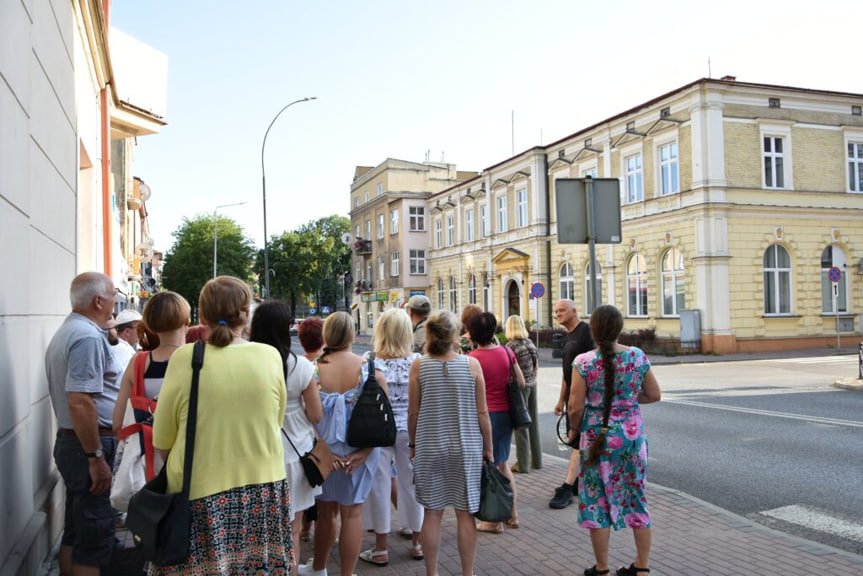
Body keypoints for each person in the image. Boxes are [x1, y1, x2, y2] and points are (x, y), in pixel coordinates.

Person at [150, 276, 291, 574]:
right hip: (262, 489)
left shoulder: (185, 357)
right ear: (246, 312)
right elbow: (274, 421)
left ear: (202, 314)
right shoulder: (269, 356)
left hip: (200, 493)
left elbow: (162, 440)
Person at [568, 304, 661, 576]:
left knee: (596, 501)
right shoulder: (637, 356)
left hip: (597, 437)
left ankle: (602, 568)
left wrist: (576, 429)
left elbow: (574, 408)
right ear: (620, 328)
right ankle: (642, 567)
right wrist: (627, 403)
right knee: (636, 497)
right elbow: (654, 394)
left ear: (594, 330)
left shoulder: (584, 362)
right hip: (631, 437)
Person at [46, 272, 122, 576]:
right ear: (99, 300)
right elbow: (80, 401)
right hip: (87, 446)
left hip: (76, 444)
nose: (116, 302)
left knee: (76, 532)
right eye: (113, 296)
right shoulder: (88, 336)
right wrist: (96, 458)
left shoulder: (71, 330)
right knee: (93, 539)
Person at [300, 311, 385, 576]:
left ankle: (318, 568)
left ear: (327, 335)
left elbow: (306, 417)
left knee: (326, 513)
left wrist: (323, 451)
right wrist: (365, 452)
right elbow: (383, 421)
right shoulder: (369, 370)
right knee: (353, 515)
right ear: (351, 335)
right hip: (359, 454)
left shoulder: (312, 370)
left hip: (325, 454)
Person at [408, 310, 492, 576]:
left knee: (432, 513)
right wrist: (488, 447)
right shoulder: (471, 365)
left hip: (430, 446)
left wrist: (412, 444)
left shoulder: (419, 365)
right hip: (466, 448)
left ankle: (431, 573)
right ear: (455, 335)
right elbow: (482, 413)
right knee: (465, 514)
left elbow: (413, 412)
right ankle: (468, 573)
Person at [250, 300, 323, 569]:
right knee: (292, 531)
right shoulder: (301, 367)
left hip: (256, 454)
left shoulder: (247, 364)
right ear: (285, 328)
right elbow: (316, 415)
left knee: (259, 534)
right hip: (295, 453)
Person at [359, 309, 424, 566]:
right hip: (410, 429)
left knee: (379, 485)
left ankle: (381, 548)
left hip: (379, 429)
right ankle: (418, 542)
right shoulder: (417, 360)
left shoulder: (370, 360)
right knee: (412, 483)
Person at [111, 291, 190, 487]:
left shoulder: (137, 363)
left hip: (148, 471)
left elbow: (117, 423)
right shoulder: (198, 361)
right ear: (186, 321)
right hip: (190, 467)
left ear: (151, 325)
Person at [467, 312, 525, 533]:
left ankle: (494, 520)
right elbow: (520, 381)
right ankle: (513, 514)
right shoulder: (507, 352)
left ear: (472, 334)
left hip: (483, 416)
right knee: (502, 464)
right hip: (506, 414)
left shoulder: (472, 359)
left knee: (489, 468)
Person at [549, 298, 594, 510]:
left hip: (585, 398)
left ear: (574, 311)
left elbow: (596, 363)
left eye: (562, 310)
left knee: (576, 440)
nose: (558, 314)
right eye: (556, 311)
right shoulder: (568, 337)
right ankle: (577, 482)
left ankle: (567, 487)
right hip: (571, 398)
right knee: (576, 440)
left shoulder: (586, 332)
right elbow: (567, 374)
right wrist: (561, 400)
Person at [505, 315, 541, 473]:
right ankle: (537, 461)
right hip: (533, 384)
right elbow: (536, 366)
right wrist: (531, 378)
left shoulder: (510, 346)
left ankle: (523, 464)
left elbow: (509, 369)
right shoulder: (530, 343)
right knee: (533, 422)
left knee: (521, 424)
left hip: (520, 387)